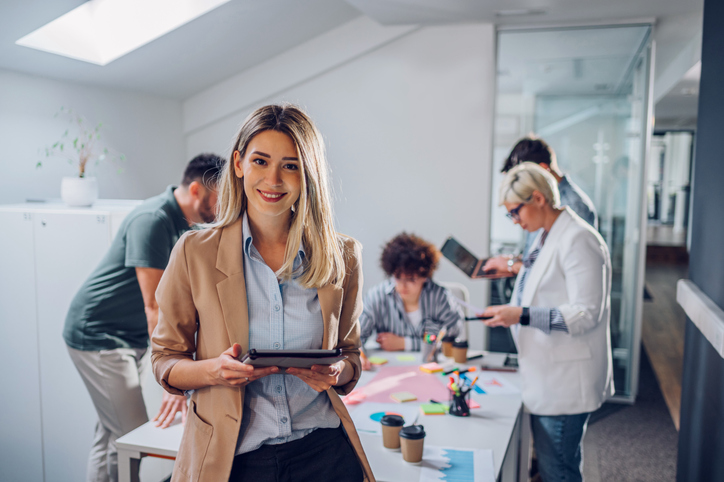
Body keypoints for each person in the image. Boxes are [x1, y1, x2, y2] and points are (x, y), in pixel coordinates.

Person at [151, 104, 373, 482]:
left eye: (290, 165)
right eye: (261, 161)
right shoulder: (194, 253)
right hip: (234, 458)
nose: (273, 179)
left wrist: (337, 371)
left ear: (308, 175)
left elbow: (350, 355)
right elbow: (165, 360)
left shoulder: (343, 256)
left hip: (325, 453)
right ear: (238, 164)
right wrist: (214, 371)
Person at [63, 153, 223, 482]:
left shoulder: (186, 226)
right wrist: (173, 375)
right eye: (220, 197)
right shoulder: (154, 220)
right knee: (133, 435)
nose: (224, 206)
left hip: (127, 336)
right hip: (99, 336)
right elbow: (155, 306)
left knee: (110, 435)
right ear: (196, 190)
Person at [480, 162, 614, 482]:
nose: (515, 221)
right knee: (555, 464)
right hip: (546, 373)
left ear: (538, 199)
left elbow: (585, 313)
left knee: (559, 470)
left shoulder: (579, 239)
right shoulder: (546, 236)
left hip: (567, 380)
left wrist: (521, 315)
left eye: (516, 212)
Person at [484, 136, 598, 276]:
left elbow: (555, 271)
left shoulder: (574, 207)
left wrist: (511, 265)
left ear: (543, 170)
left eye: (523, 177)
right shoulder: (538, 208)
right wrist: (513, 260)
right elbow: (540, 256)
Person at [358, 232, 465, 370]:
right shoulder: (376, 296)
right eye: (397, 277)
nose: (402, 286)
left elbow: (453, 338)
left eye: (411, 279)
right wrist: (358, 354)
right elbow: (356, 338)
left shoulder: (440, 297)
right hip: (389, 369)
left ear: (425, 276)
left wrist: (404, 343)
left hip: (431, 369)